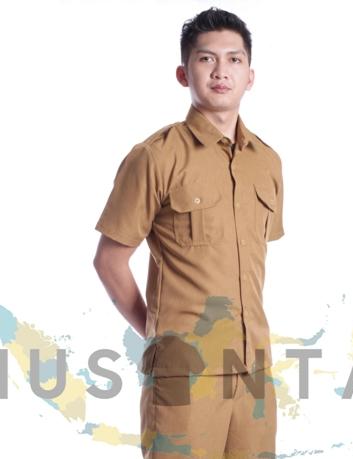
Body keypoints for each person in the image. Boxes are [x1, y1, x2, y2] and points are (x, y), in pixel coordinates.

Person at [93, 6, 285, 458]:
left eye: (234, 59)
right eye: (206, 59)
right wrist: (159, 336)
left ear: (250, 76)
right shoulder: (156, 157)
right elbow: (109, 260)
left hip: (254, 374)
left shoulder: (267, 162)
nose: (221, 71)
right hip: (185, 375)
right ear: (184, 73)